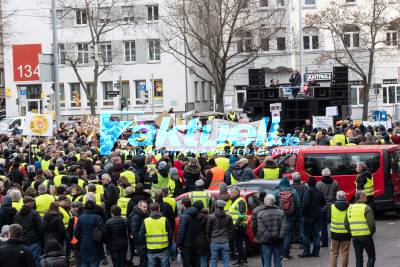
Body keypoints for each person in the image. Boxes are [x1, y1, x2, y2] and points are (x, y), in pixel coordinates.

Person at [345, 190, 376, 267]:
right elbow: (371, 224)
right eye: (365, 196)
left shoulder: (350, 208)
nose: (366, 197)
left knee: (358, 258)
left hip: (355, 237)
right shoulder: (366, 208)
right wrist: (371, 232)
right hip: (366, 236)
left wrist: (352, 232)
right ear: (361, 197)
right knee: (371, 256)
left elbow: (346, 223)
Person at [256, 194, 288, 267]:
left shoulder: (260, 214)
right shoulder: (281, 212)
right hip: (278, 241)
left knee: (267, 262)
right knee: (278, 261)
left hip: (266, 241)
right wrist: (280, 237)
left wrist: (269, 237)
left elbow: (261, 229)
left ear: (264, 202)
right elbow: (284, 227)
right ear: (274, 201)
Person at [274, 177, 300, 260]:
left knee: (281, 234)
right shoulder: (293, 191)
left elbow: (273, 203)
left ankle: (281, 253)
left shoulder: (277, 192)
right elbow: (298, 203)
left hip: (279, 216)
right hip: (290, 215)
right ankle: (286, 254)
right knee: (288, 235)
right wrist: (295, 213)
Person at [139, 202, 172, 267]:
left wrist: (146, 243)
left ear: (150, 210)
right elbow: (170, 235)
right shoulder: (165, 220)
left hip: (151, 249)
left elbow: (141, 236)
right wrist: (168, 244)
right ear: (159, 209)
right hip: (163, 248)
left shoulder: (146, 221)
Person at [299, 177, 325, 258]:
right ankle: (316, 252)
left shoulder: (308, 191)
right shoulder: (319, 192)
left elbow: (306, 203)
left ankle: (306, 252)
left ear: (308, 183)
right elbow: (323, 203)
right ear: (315, 183)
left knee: (305, 234)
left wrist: (302, 212)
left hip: (307, 216)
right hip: (317, 215)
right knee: (316, 235)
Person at [74, 200, 105, 267]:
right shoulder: (98, 218)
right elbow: (102, 231)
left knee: (84, 262)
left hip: (84, 243)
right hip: (96, 244)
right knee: (95, 262)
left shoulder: (80, 218)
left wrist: (81, 239)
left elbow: (76, 233)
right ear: (94, 207)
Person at [14, 196, 43, 266]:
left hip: (22, 242)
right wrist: (40, 239)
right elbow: (40, 228)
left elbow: (16, 228)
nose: (33, 205)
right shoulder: (34, 214)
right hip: (34, 241)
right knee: (35, 261)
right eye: (33, 203)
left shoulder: (17, 214)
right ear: (30, 204)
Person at [317, 168, 340, 247]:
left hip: (323, 207)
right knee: (334, 223)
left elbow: (317, 196)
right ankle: (336, 239)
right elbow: (338, 194)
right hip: (333, 206)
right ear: (330, 174)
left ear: (322, 175)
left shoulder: (319, 184)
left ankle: (325, 241)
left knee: (323, 225)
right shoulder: (335, 183)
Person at [328, 191, 351, 267]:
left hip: (335, 233)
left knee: (334, 252)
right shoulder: (349, 207)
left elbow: (328, 219)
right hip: (346, 233)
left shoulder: (332, 207)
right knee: (345, 252)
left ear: (336, 197)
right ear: (345, 197)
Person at [207, 200, 233, 267]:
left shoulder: (211, 217)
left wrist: (210, 238)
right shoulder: (228, 217)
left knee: (214, 261)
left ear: (216, 206)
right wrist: (228, 237)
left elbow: (208, 230)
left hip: (214, 241)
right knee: (226, 260)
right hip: (225, 241)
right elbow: (231, 229)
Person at [176, 197, 199, 267]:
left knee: (186, 264)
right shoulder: (196, 214)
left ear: (183, 205)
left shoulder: (184, 216)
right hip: (195, 243)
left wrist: (179, 244)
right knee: (195, 263)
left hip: (186, 244)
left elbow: (182, 231)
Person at [229, 186, 248, 266]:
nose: (230, 194)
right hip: (236, 226)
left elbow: (241, 215)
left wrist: (235, 225)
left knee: (239, 244)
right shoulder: (235, 201)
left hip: (239, 226)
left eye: (231, 193)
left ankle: (242, 260)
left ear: (236, 193)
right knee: (237, 244)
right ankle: (240, 259)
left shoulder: (240, 201)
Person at [128, 200, 148, 267]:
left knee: (144, 259)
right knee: (143, 259)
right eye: (144, 207)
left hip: (142, 241)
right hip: (140, 242)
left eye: (146, 207)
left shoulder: (141, 214)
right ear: (139, 207)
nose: (146, 208)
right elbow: (134, 232)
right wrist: (140, 241)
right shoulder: (136, 217)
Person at [291, 172, 308, 245]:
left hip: (293, 208)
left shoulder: (291, 187)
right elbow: (306, 198)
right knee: (301, 225)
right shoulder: (304, 186)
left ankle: (294, 238)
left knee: (293, 224)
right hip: (301, 208)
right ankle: (301, 239)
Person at [192, 201, 209, 267]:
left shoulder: (192, 217)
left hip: (193, 240)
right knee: (203, 259)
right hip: (203, 240)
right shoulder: (206, 217)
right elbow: (208, 230)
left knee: (195, 260)